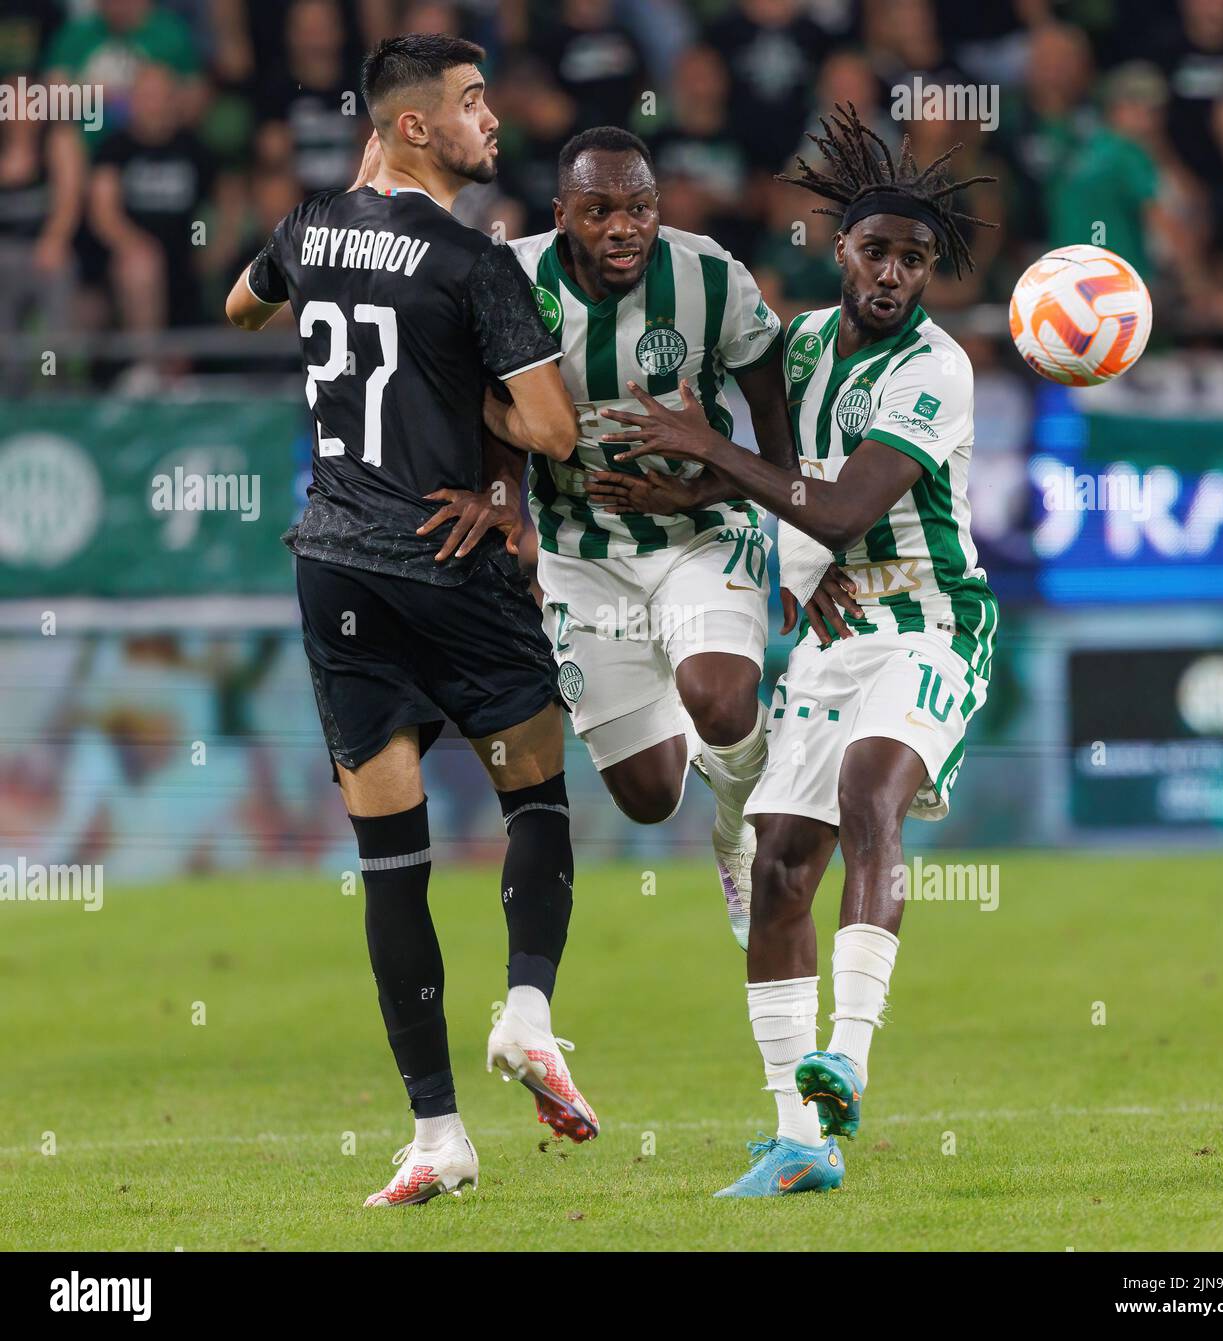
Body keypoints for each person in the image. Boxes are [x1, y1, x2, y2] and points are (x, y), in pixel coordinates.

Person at [592, 105, 999, 1197]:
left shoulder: (937, 371)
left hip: (928, 621)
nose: (894, 274)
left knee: (872, 796)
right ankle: (796, 1138)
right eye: (877, 251)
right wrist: (687, 485)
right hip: (833, 632)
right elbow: (786, 475)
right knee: (777, 871)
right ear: (840, 252)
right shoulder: (803, 344)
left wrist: (706, 444)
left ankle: (848, 1060)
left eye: (916, 260)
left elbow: (842, 503)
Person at [224, 33, 594, 1208]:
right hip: (448, 556)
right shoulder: (475, 264)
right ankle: (527, 1013)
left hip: (333, 565)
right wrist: (455, 385)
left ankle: (435, 1133)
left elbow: (240, 307)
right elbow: (551, 431)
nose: (495, 120)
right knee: (534, 793)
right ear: (415, 126)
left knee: (392, 864)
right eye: (475, 102)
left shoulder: (307, 226)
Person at [507, 125, 799, 950]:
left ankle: (737, 833)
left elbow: (776, 446)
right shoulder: (514, 279)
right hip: (582, 555)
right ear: (562, 214)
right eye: (598, 210)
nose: (623, 227)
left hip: (700, 531)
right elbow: (477, 405)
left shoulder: (710, 275)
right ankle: (710, 745)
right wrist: (507, 505)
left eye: (639, 208)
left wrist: (708, 479)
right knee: (648, 794)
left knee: (719, 694)